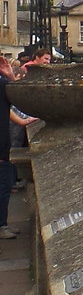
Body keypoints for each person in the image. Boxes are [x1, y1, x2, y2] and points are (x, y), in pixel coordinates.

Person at [0, 58, 16, 239]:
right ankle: (1, 225)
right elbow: (24, 98)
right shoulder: (2, 84)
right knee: (3, 187)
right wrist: (11, 76)